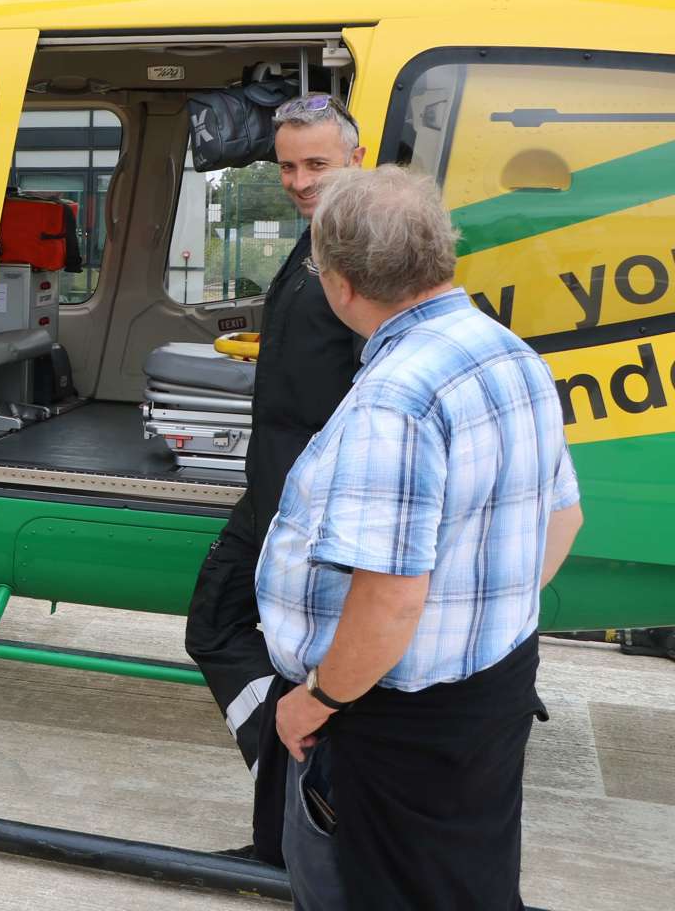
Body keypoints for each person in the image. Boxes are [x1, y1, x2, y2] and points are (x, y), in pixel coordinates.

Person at [257, 166, 583, 909]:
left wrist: (318, 698)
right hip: (491, 689)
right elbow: (563, 515)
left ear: (340, 283)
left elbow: (392, 595)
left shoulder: (395, 399)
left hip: (392, 723)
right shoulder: (509, 353)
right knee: (469, 886)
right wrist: (474, 615)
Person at [182, 93, 365, 859]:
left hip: (312, 504)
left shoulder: (363, 253)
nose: (297, 180)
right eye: (287, 165)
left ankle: (300, 822)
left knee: (268, 647)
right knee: (216, 629)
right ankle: (290, 802)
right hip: (272, 488)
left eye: (315, 163)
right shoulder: (315, 239)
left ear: (355, 160)